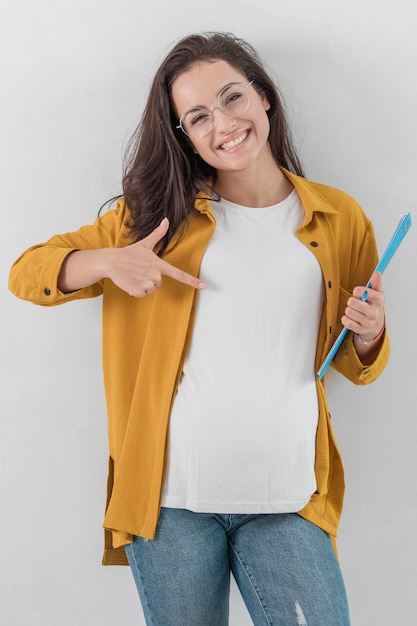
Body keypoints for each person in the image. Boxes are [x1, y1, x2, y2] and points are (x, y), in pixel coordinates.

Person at [9, 32, 389, 626]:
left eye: (233, 97)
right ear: (184, 134)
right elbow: (25, 273)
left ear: (264, 98)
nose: (224, 123)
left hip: (288, 498)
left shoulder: (340, 218)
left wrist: (368, 335)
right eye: (198, 116)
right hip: (169, 505)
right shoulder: (152, 219)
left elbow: (354, 363)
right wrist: (106, 260)